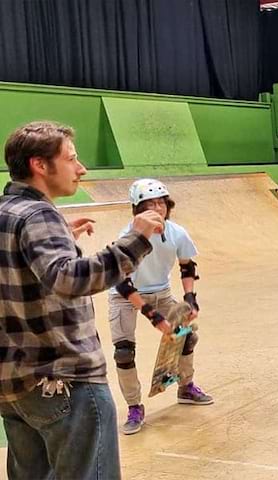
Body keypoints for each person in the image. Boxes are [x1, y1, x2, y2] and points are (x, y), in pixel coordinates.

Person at [0, 121, 163, 479]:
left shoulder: (8, 213)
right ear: (39, 165)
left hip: (15, 387)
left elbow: (20, 269)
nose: (81, 168)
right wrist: (134, 240)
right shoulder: (39, 217)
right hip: (64, 383)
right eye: (71, 159)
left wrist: (61, 236)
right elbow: (67, 278)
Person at [109, 178, 213, 435]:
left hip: (161, 292)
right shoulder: (127, 238)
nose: (157, 209)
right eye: (150, 205)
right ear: (138, 210)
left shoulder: (177, 232)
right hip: (124, 296)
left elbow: (187, 266)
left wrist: (190, 299)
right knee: (123, 352)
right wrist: (153, 316)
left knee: (187, 336)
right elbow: (123, 284)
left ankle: (185, 387)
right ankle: (134, 406)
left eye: (161, 203)